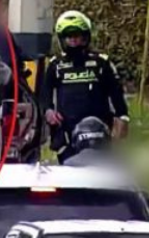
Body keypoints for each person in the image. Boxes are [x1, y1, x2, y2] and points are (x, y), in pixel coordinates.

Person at [41, 10, 130, 162]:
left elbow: (116, 94)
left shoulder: (101, 63)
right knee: (69, 169)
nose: (73, 40)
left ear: (86, 36)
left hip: (98, 127)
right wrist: (48, 111)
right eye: (69, 37)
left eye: (77, 36)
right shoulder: (56, 65)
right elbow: (44, 93)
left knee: (101, 168)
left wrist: (122, 118)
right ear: (62, 39)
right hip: (67, 129)